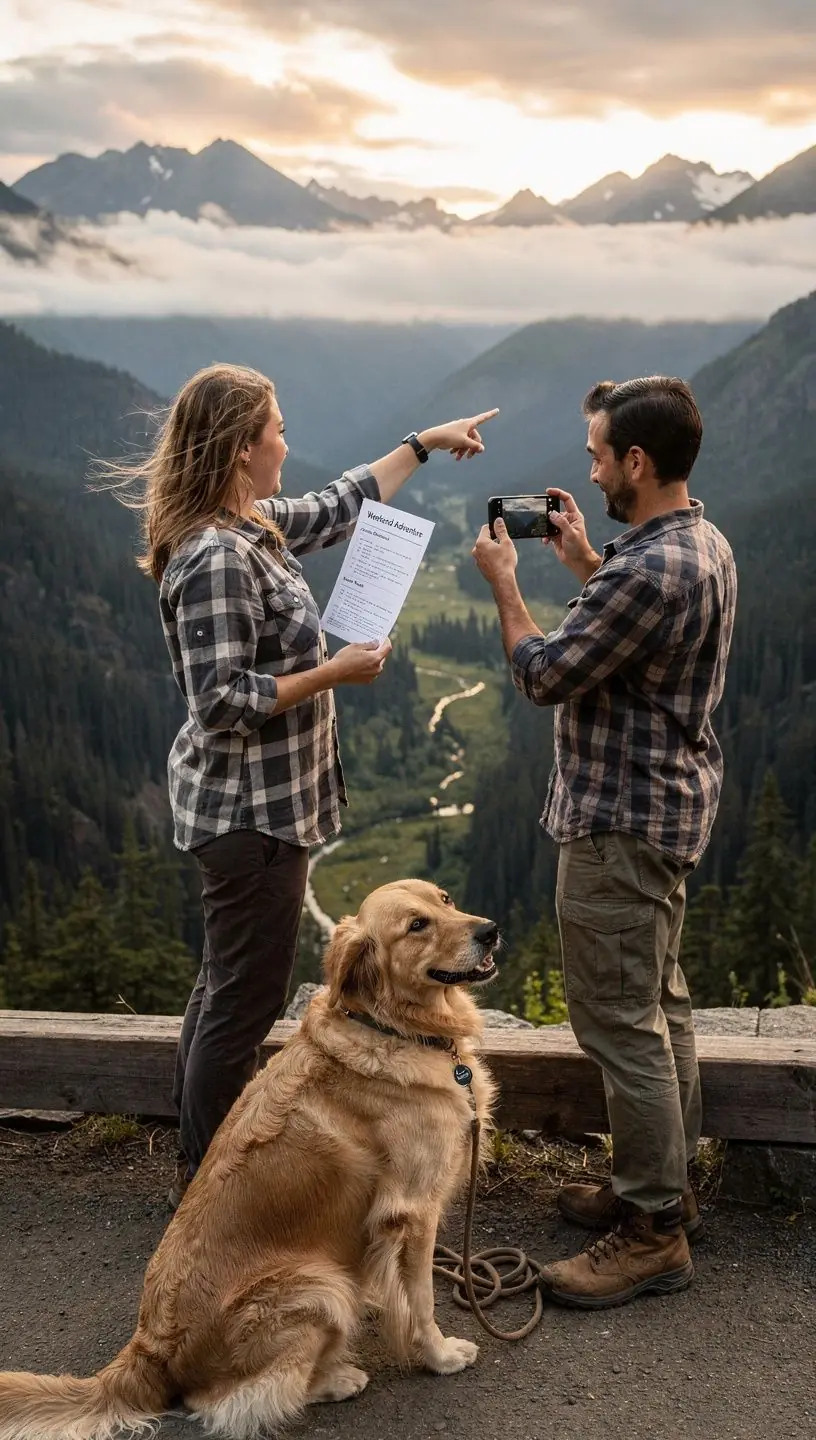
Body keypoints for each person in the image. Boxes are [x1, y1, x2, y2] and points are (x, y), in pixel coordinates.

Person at [120, 363, 497, 1210]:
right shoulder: (218, 554)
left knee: (223, 985)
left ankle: (199, 1164)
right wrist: (333, 672)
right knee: (242, 1005)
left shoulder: (245, 522)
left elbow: (338, 503)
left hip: (265, 809)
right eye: (277, 430)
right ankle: (211, 1188)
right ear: (240, 448)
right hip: (250, 817)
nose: (287, 443)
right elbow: (220, 701)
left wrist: (421, 446)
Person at [472, 376, 737, 1309]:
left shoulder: (646, 571)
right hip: (669, 815)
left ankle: (653, 1231)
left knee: (620, 1026)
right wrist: (587, 561)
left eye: (597, 456)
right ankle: (662, 1187)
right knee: (660, 1009)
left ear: (637, 461)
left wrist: (508, 587)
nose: (588, 470)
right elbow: (639, 639)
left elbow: (544, 673)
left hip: (618, 824)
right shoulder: (698, 544)